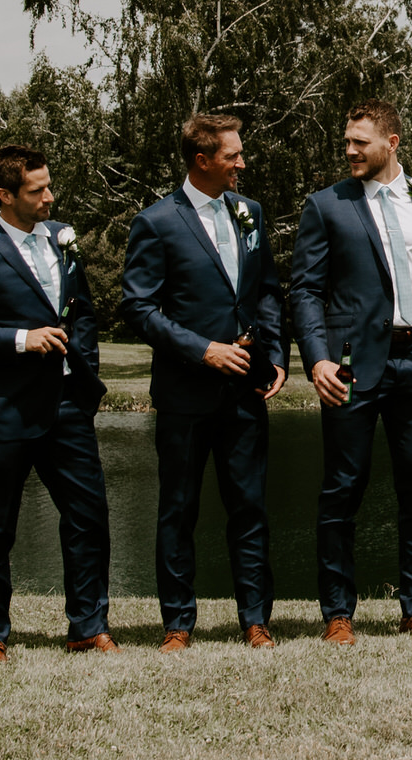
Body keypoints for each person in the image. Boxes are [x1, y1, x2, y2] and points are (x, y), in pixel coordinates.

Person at [287, 102, 412, 643]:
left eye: (360, 142)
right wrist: (317, 357)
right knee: (342, 488)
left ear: (392, 141)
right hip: (350, 368)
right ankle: (338, 614)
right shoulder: (326, 206)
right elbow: (306, 291)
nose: (349, 151)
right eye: (346, 141)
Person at [0, 145, 114, 662]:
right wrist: (19, 339)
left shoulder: (61, 241)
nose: (49, 197)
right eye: (37, 190)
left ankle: (87, 626)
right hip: (4, 409)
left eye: (49, 185)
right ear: (5, 195)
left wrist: (88, 382)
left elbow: (83, 316)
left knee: (88, 517)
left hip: (67, 408)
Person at [117, 113, 288, 649]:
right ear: (202, 160)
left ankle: (256, 621)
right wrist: (204, 350)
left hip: (246, 390)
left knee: (250, 507)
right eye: (233, 155)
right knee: (178, 509)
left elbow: (265, 291)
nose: (243, 162)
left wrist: (276, 355)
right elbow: (138, 310)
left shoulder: (250, 213)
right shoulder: (156, 222)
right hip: (185, 393)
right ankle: (177, 624)